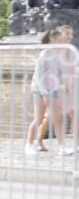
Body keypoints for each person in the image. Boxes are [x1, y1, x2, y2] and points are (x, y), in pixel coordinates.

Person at [27, 27, 72, 156]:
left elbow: (59, 72)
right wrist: (45, 94)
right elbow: (40, 76)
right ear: (52, 40)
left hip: (54, 89)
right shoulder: (44, 54)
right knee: (39, 118)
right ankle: (29, 144)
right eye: (59, 39)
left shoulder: (58, 54)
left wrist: (65, 84)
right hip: (40, 90)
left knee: (57, 118)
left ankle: (62, 147)